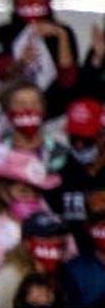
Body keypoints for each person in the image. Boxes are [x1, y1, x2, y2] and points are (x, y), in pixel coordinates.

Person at [0, 0, 79, 116]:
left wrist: (61, 36)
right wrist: (20, 63)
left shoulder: (62, 32)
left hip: (57, 112)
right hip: (16, 114)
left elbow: (68, 78)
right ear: (15, 0)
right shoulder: (3, 33)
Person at [0, 150, 60, 280]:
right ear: (4, 193)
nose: (30, 197)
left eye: (35, 191)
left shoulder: (51, 222)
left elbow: (69, 253)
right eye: (23, 191)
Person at [49, 99, 104, 230]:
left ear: (102, 136)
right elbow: (53, 205)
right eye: (74, 138)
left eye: (87, 139)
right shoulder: (59, 166)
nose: (79, 145)